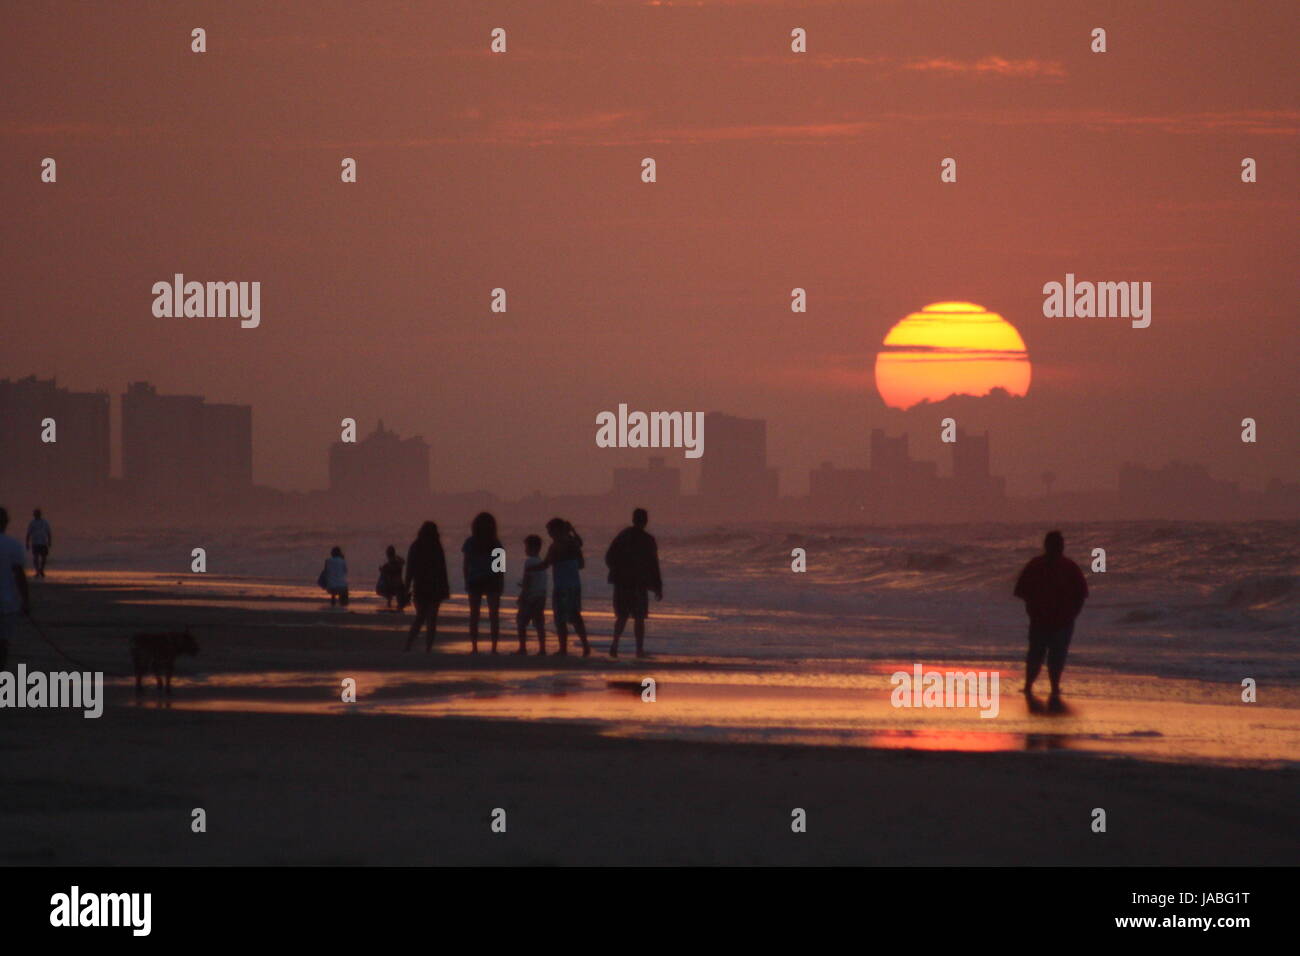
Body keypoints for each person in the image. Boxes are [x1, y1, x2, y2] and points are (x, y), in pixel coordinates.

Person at [1014, 530, 1088, 704]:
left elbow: (1021, 592)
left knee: (1039, 654)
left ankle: (1032, 686)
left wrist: (1033, 609)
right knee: (1052, 655)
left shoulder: (1042, 565)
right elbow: (1081, 595)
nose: (1060, 547)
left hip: (1052, 619)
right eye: (1058, 544)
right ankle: (1044, 687)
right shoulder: (1063, 566)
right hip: (1053, 620)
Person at [605, 508, 663, 658]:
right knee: (639, 618)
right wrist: (657, 586)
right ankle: (639, 650)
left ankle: (615, 645)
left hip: (622, 583)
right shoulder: (648, 540)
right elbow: (653, 564)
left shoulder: (623, 536)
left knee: (622, 616)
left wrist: (617, 571)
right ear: (646, 521)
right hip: (638, 584)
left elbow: (609, 557)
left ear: (633, 519)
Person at [534, 518, 590, 657]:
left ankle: (563, 649)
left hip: (561, 586)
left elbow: (546, 563)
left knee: (560, 619)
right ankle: (585, 645)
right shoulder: (573, 543)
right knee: (575, 617)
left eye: (550, 531)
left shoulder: (556, 546)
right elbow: (581, 564)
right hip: (574, 586)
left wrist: (531, 568)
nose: (549, 534)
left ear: (557, 531)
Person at [462, 512, 505, 654]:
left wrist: (466, 580)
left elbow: (466, 564)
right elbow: (499, 568)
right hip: (492, 581)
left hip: (475, 580)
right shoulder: (496, 543)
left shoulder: (470, 542)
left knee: (474, 615)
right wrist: (501, 584)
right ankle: (493, 648)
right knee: (494, 616)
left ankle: (474, 647)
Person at [404, 521, 450, 652]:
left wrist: (406, 588)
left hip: (420, 587)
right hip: (435, 588)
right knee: (432, 620)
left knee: (420, 618)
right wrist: (445, 588)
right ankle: (428, 648)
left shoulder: (416, 546)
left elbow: (409, 570)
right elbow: (442, 569)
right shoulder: (437, 546)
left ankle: (408, 645)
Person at [0, 508, 31, 670]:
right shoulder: (13, 545)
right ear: (6, 523)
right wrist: (26, 601)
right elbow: (20, 576)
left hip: (8, 603)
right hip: (7, 603)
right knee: (4, 643)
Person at [516, 534, 548, 656]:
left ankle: (522, 648)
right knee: (539, 624)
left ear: (533, 548)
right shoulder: (542, 562)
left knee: (521, 622)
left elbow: (527, 580)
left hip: (530, 596)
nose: (525, 550)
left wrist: (522, 595)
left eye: (527, 547)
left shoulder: (529, 562)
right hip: (541, 596)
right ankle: (542, 649)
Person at [376, 545, 409, 611]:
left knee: (383, 583)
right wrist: (396, 556)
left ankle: (389, 599)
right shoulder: (397, 563)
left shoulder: (388, 565)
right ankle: (391, 600)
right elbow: (403, 561)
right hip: (397, 587)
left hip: (393, 587)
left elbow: (403, 562)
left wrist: (382, 570)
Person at [26, 508, 52, 578]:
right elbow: (28, 533)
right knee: (36, 557)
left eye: (37, 513)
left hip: (43, 542)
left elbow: (48, 532)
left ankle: (41, 570)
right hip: (35, 542)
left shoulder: (45, 522)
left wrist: (49, 541)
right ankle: (37, 571)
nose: (36, 515)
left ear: (40, 514)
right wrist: (27, 543)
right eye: (35, 514)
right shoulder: (32, 523)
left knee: (44, 557)